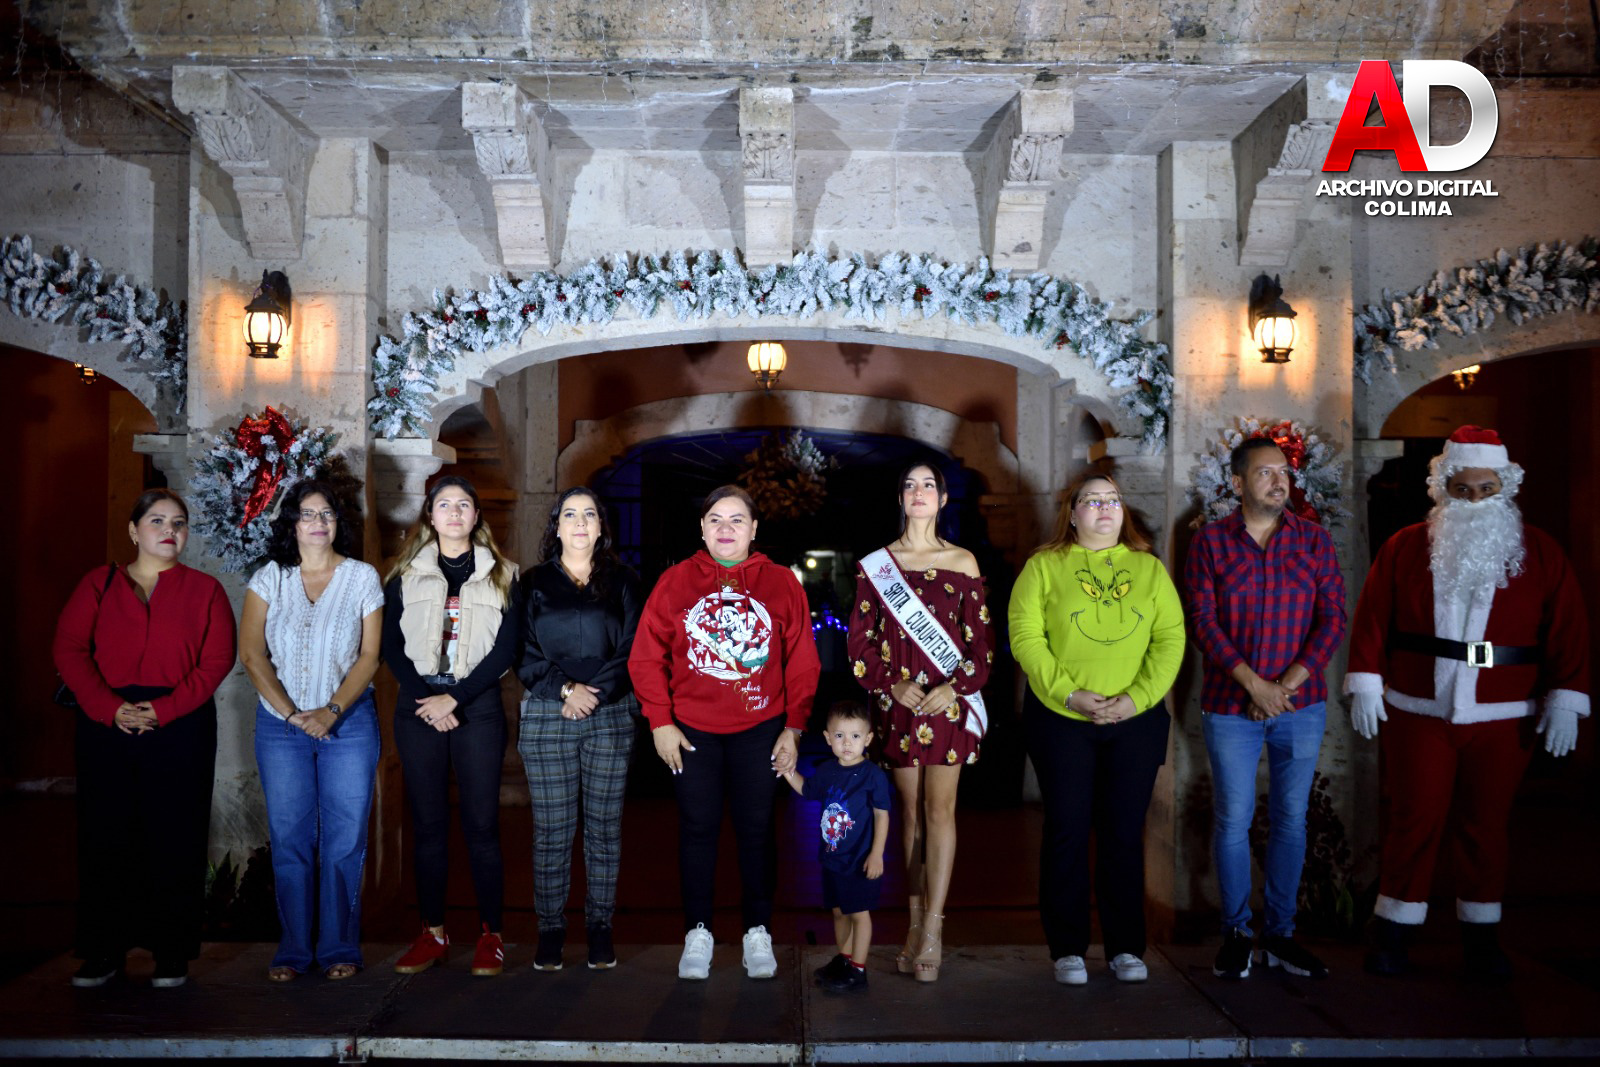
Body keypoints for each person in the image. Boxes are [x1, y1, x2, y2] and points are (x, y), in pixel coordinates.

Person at [1345, 426, 1588, 981]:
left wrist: (1566, 699)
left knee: (1486, 826)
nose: (1475, 500)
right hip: (1418, 710)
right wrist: (1366, 681)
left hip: (1505, 715)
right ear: (1443, 489)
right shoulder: (1405, 547)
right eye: (1462, 489)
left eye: (1486, 490)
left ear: (1505, 488)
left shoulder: (1539, 551)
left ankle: (1481, 939)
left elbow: (1568, 628)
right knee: (1413, 820)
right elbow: (1373, 615)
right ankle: (1393, 933)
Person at [628, 485, 821, 981]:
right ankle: (698, 933)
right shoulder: (675, 582)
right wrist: (660, 721)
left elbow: (802, 661)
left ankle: (758, 931)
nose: (726, 528)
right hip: (693, 732)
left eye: (737, 520)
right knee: (697, 830)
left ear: (754, 529)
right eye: (716, 519)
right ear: (702, 528)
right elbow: (646, 657)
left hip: (761, 729)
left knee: (757, 831)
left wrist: (794, 727)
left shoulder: (781, 583)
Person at [52, 488, 236, 989]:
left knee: (175, 834)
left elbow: (217, 660)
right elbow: (69, 649)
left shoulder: (206, 590)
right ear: (134, 531)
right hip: (104, 723)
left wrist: (164, 709)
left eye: (178, 523)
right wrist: (110, 708)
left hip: (181, 724)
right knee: (105, 834)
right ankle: (103, 952)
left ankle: (172, 953)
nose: (169, 531)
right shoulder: (98, 583)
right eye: (157, 521)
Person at [1010, 472, 1185, 985]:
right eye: (1092, 501)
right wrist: (1069, 694)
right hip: (1061, 720)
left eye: (1113, 500)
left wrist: (1136, 699)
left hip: (1135, 721)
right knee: (1066, 828)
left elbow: (1170, 638)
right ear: (1072, 513)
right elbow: (1025, 636)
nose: (1105, 508)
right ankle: (1067, 948)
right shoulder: (1044, 566)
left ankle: (1125, 947)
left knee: (1123, 832)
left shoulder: (1149, 569)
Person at [1184, 436, 1345, 981]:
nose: (1280, 482)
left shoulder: (1314, 540)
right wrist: (1255, 687)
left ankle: (1280, 935)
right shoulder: (1210, 543)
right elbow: (1203, 621)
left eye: (1284, 472)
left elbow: (1333, 619)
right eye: (1265, 473)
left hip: (1300, 706)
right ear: (1237, 483)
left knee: (1291, 820)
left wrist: (1284, 688)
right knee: (1233, 818)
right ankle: (1236, 933)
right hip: (1231, 706)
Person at [845, 462, 991, 983]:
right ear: (901, 498)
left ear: (943, 499)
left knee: (940, 809)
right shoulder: (878, 566)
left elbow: (981, 643)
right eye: (910, 485)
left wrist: (954, 688)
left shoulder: (963, 561)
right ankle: (911, 925)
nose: (919, 492)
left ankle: (934, 928)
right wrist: (891, 685)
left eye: (929, 485)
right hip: (901, 706)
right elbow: (859, 643)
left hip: (949, 706)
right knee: (908, 813)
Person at [238, 480, 385, 982]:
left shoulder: (362, 577)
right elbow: (251, 654)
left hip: (349, 723)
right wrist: (293, 714)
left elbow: (370, 655)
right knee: (290, 838)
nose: (318, 522)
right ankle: (294, 949)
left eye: (327, 514)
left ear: (337, 522)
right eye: (307, 514)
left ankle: (340, 946)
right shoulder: (270, 578)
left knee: (344, 838)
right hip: (281, 727)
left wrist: (332, 711)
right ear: (292, 524)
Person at [381, 475, 521, 977]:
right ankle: (433, 934)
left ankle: (491, 936)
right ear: (431, 515)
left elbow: (506, 649)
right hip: (418, 708)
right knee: (429, 825)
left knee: (481, 825)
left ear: (476, 516)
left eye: (464, 504)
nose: (455, 512)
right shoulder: (404, 574)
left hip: (476, 707)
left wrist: (454, 698)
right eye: (445, 505)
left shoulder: (504, 574)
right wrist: (429, 699)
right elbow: (390, 646)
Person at [516, 488, 642, 972]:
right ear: (557, 526)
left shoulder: (624, 580)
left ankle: (600, 927)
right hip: (548, 712)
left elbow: (634, 647)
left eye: (590, 514)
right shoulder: (533, 582)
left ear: (601, 525)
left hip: (609, 714)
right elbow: (521, 649)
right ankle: (550, 929)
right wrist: (566, 690)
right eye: (570, 514)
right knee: (552, 830)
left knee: (604, 829)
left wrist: (596, 693)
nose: (581, 522)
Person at [779, 702, 891, 993]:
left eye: (855, 736)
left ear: (868, 739)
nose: (847, 743)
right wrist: (787, 770)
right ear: (828, 738)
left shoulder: (873, 776)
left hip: (859, 860)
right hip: (832, 860)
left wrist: (876, 854)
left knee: (859, 913)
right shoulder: (827, 770)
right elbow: (806, 789)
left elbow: (882, 815)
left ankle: (858, 969)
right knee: (840, 912)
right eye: (840, 736)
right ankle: (845, 958)